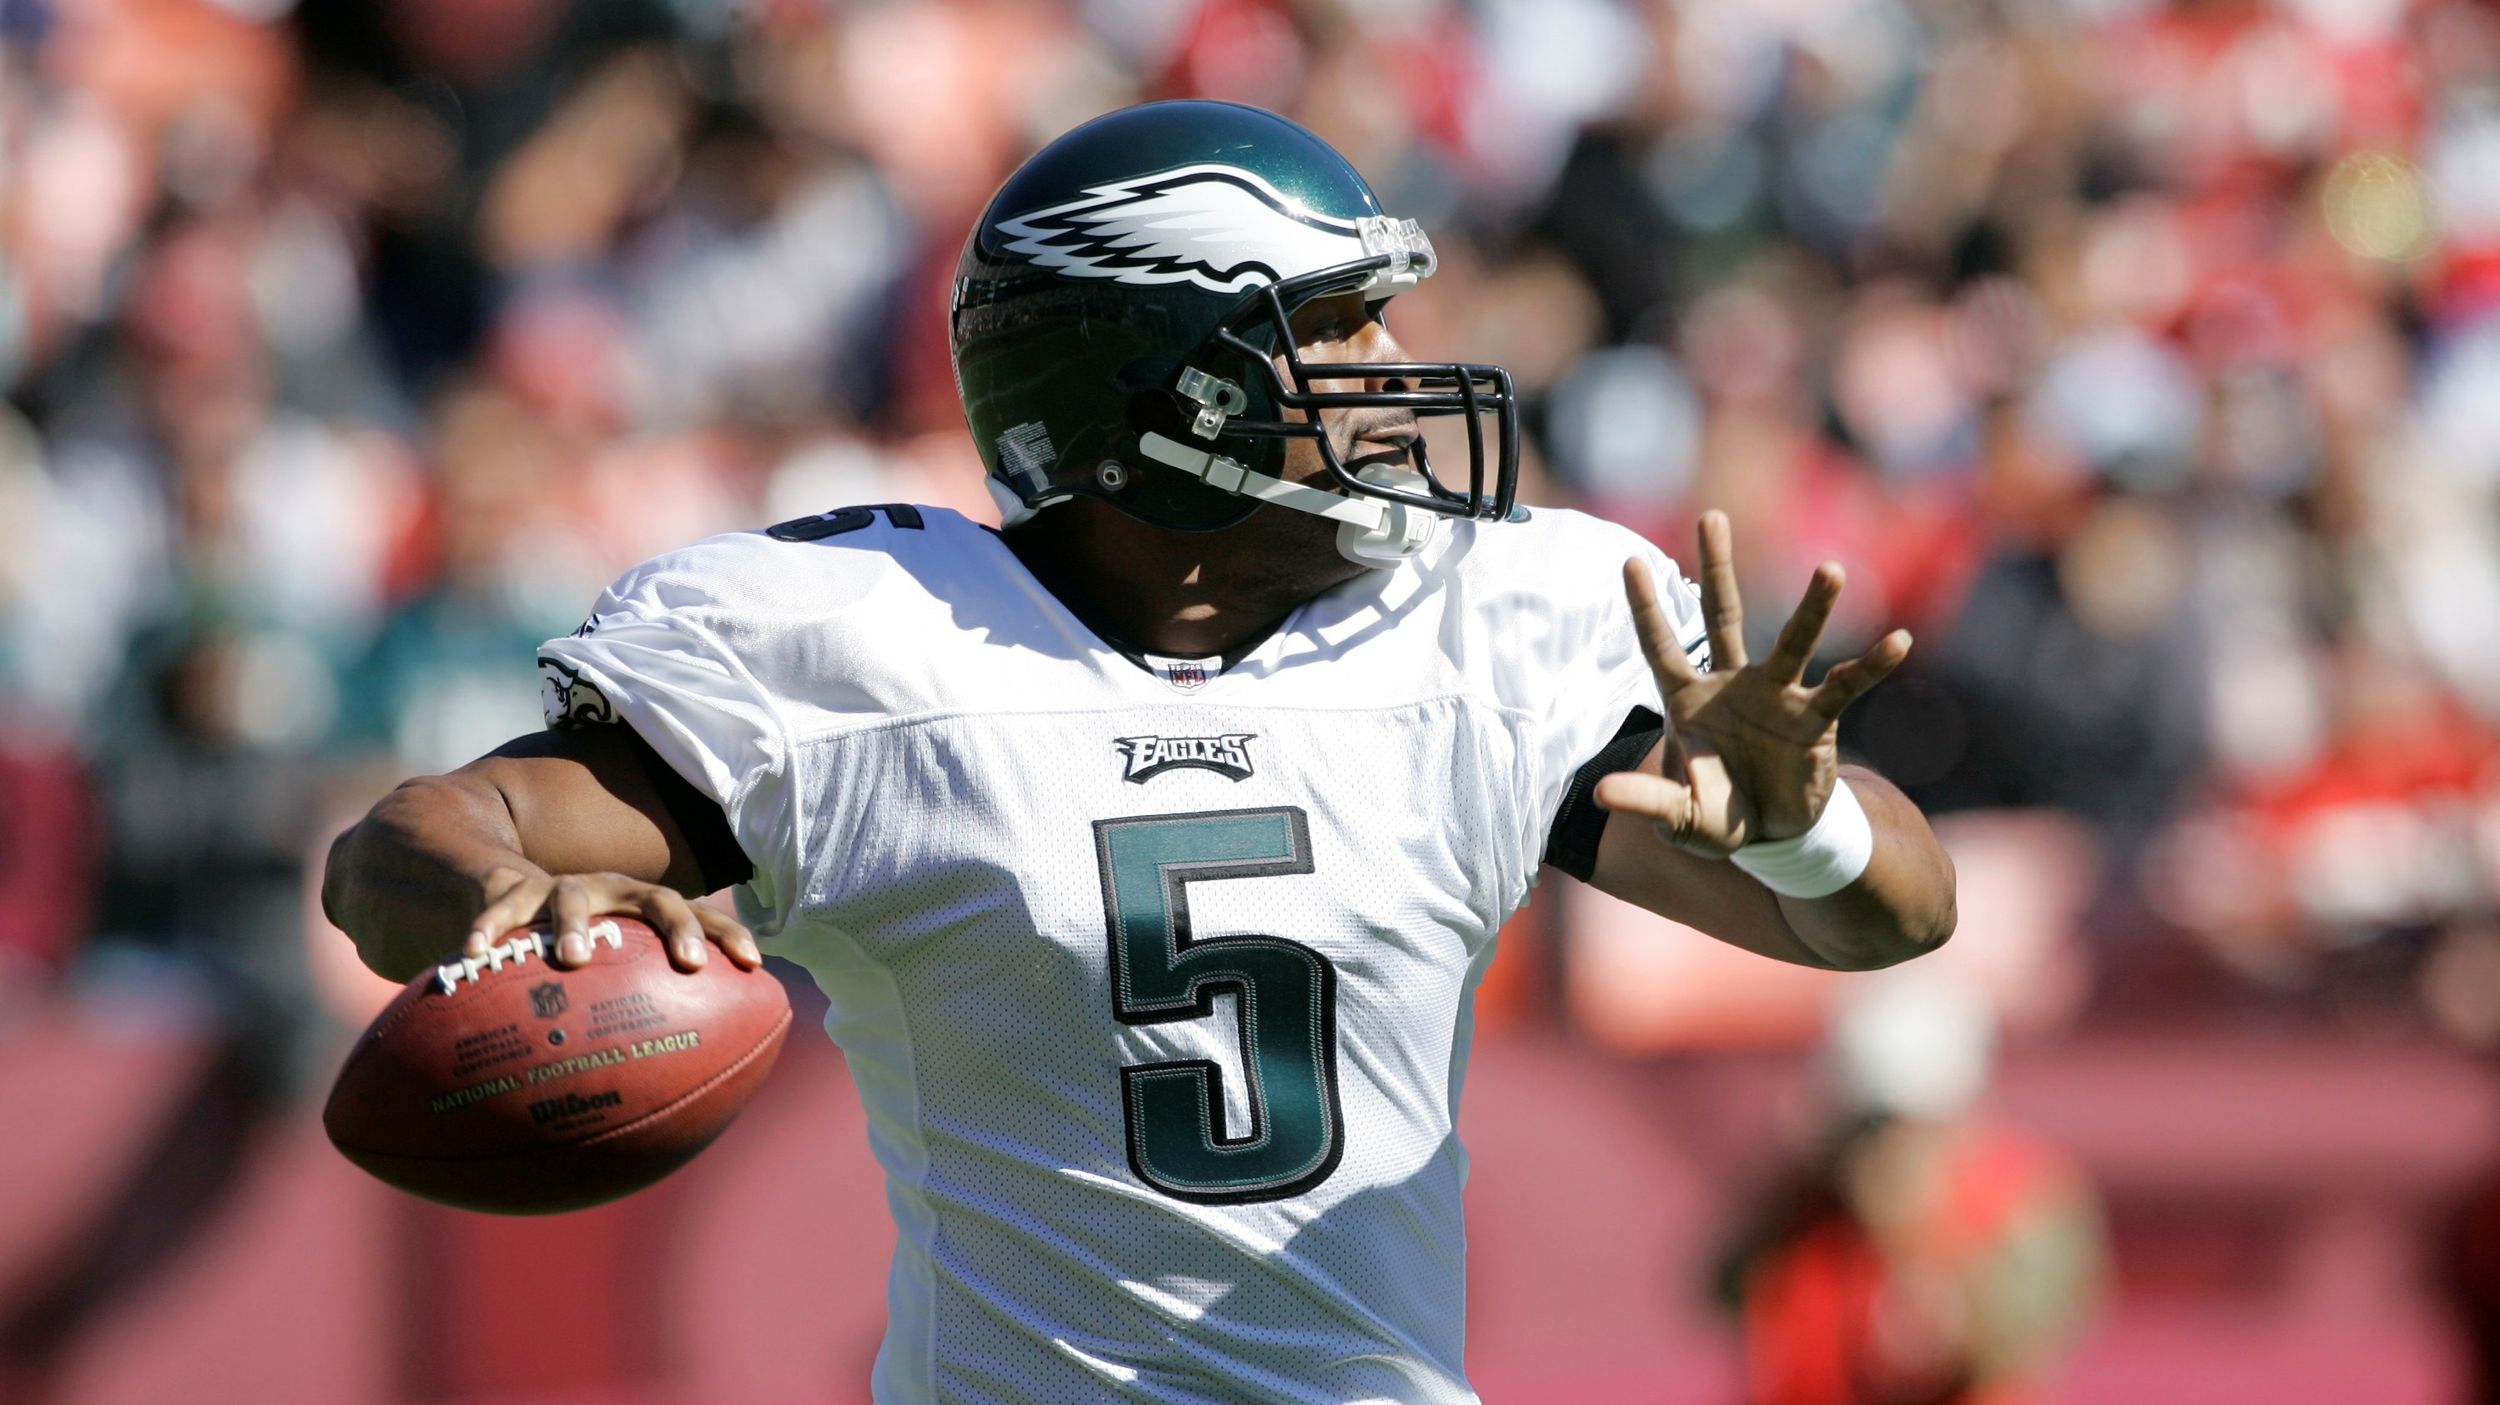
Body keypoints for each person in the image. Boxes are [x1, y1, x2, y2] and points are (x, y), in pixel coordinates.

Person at [323, 100, 1957, 1405]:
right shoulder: (872, 647)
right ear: (1163, 387)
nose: (1391, 375)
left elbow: (1886, 915)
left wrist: (1799, 822)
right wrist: (501, 894)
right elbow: (409, 846)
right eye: (1333, 331)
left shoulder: (1492, 624)